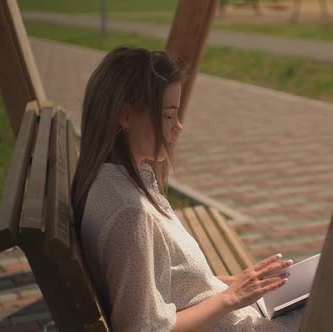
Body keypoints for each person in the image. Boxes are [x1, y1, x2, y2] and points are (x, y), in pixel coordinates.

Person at [70, 46, 305, 331]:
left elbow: (166, 282)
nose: (178, 126)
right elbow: (142, 328)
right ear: (126, 116)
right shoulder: (130, 214)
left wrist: (236, 283)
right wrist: (231, 297)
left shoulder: (108, 181)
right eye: (168, 115)